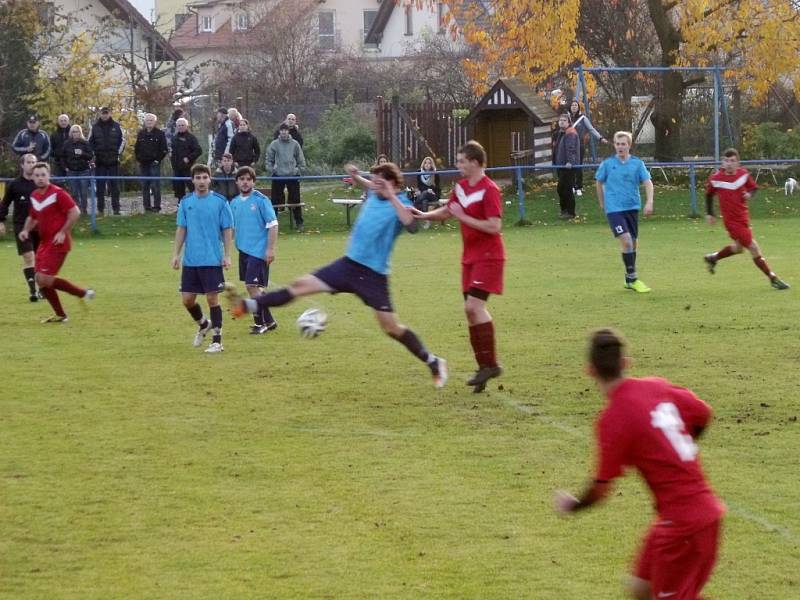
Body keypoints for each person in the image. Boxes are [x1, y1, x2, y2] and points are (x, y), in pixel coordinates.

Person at [227, 161, 448, 388]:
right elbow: (368, 184)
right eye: (374, 182)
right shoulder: (374, 193)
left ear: (392, 184)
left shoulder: (400, 202)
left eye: (380, 183)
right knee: (300, 285)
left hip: (373, 276)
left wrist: (391, 195)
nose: (374, 186)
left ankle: (433, 362)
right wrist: (357, 176)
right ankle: (247, 306)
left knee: (391, 327)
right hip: (347, 266)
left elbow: (412, 226)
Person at [554, 328, 725, 600]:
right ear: (626, 364)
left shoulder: (612, 419)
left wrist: (572, 504)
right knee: (640, 586)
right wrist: (682, 445)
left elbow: (600, 490)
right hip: (686, 515)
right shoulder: (656, 386)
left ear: (589, 371)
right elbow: (703, 413)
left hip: (685, 525)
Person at [411, 140, 505, 393]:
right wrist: (422, 215)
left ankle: (491, 364)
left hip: (489, 256)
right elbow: (448, 211)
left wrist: (463, 217)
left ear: (475, 162)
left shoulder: (490, 189)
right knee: (470, 312)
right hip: (470, 258)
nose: (458, 165)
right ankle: (484, 368)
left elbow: (494, 226)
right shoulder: (461, 187)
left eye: (462, 160)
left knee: (474, 307)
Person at [17, 162, 95, 323]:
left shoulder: (58, 193)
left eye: (43, 175)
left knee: (44, 279)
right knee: (40, 280)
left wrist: (62, 232)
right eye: (37, 175)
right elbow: (32, 217)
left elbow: (75, 212)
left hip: (59, 242)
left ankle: (82, 293)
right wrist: (25, 230)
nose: (40, 178)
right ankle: (60, 315)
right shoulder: (35, 196)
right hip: (45, 243)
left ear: (49, 175)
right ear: (32, 177)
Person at [703, 148, 789, 290]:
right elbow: (708, 195)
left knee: (738, 249)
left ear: (738, 163)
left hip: (743, 218)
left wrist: (750, 194)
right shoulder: (716, 179)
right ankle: (773, 278)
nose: (729, 163)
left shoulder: (743, 174)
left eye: (732, 161)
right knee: (753, 247)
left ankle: (713, 258)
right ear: (722, 163)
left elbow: (753, 188)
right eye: (726, 160)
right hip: (731, 222)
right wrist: (710, 213)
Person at [171, 164, 234, 354]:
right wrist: (176, 254)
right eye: (197, 178)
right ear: (192, 180)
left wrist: (227, 255)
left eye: (204, 177)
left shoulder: (220, 202)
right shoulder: (186, 202)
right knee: (187, 300)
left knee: (212, 299)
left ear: (210, 179)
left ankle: (217, 341)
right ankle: (203, 323)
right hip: (191, 260)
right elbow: (182, 229)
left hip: (212, 259)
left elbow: (227, 229)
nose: (201, 181)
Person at [595, 131, 654, 293]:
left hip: (632, 207)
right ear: (614, 145)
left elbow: (648, 183)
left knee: (632, 243)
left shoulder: (637, 164)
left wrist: (649, 202)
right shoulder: (607, 164)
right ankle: (633, 278)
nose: (620, 147)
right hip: (614, 209)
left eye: (623, 144)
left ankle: (628, 279)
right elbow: (599, 183)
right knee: (627, 240)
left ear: (629, 145)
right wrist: (602, 202)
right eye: (617, 144)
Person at [229, 166, 279, 334]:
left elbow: (273, 225)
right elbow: (232, 228)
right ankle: (269, 321)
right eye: (241, 179)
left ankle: (260, 323)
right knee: (255, 288)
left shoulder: (261, 200)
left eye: (248, 179)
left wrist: (270, 249)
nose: (245, 182)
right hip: (243, 251)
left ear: (253, 182)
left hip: (258, 251)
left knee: (251, 286)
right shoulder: (234, 203)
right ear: (237, 182)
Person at [0, 154, 40, 301]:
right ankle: (33, 291)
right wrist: (1, 221)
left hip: (40, 227)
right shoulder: (15, 185)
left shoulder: (41, 183)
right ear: (22, 165)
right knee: (29, 256)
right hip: (21, 227)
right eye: (29, 162)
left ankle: (42, 289)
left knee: (40, 259)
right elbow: (4, 204)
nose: (31, 164)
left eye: (34, 162)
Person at [266, 123, 306, 231]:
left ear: (288, 131)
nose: (283, 132)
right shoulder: (274, 144)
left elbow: (301, 159)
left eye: (285, 130)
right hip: (278, 176)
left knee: (296, 199)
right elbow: (268, 159)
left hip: (292, 176)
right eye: (282, 130)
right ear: (279, 132)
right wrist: (272, 169)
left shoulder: (295, 144)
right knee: (275, 200)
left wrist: (298, 170)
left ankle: (299, 222)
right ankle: (272, 224)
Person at [89, 107, 125, 215]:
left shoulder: (117, 126)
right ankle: (100, 209)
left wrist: (117, 153)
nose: (105, 115)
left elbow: (123, 141)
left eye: (106, 113)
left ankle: (116, 209)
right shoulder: (94, 127)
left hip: (114, 161)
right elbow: (90, 143)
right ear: (100, 114)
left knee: (115, 186)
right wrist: (94, 154)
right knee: (100, 186)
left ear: (110, 113)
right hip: (100, 161)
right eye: (103, 113)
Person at [567, 99, 607, 196]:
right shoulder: (566, 118)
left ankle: (579, 187)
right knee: (569, 166)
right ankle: (571, 186)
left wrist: (600, 138)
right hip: (567, 146)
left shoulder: (583, 118)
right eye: (572, 105)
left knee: (578, 166)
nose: (574, 107)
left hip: (579, 145)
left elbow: (591, 129)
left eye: (575, 105)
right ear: (570, 107)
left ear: (578, 107)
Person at [134, 113, 169, 213]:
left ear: (155, 122)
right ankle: (147, 207)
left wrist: (157, 160)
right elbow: (137, 148)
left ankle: (157, 207)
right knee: (145, 186)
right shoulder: (141, 133)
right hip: (143, 163)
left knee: (155, 186)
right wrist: (139, 158)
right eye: (147, 120)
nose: (149, 122)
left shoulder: (160, 134)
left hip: (154, 163)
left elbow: (164, 149)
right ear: (144, 122)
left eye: (151, 120)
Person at [61, 125, 94, 213]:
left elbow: (90, 156)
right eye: (74, 132)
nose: (76, 133)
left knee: (84, 192)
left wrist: (82, 153)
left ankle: (84, 210)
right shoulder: (66, 143)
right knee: (74, 192)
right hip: (71, 171)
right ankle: (77, 209)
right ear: (71, 133)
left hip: (83, 170)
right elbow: (62, 157)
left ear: (80, 133)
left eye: (77, 131)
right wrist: (65, 167)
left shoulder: (85, 143)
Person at [553, 113, 579, 219]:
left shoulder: (570, 133)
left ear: (568, 122)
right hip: (561, 166)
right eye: (560, 120)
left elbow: (571, 149)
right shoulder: (560, 133)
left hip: (568, 167)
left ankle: (570, 212)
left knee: (566, 188)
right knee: (561, 188)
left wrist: (570, 161)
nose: (561, 122)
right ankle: (564, 210)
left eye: (564, 120)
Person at [170, 117, 202, 202]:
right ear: (176, 126)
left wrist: (188, 158)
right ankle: (180, 205)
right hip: (177, 168)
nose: (180, 127)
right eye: (179, 125)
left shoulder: (191, 138)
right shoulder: (174, 138)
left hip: (189, 168)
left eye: (182, 125)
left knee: (192, 187)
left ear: (187, 126)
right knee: (178, 188)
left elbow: (198, 150)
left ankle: (196, 203)